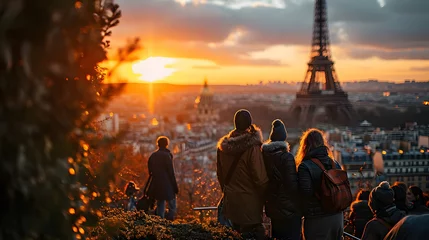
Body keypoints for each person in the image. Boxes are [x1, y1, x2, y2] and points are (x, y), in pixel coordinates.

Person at [217, 109, 269, 240]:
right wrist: (265, 197)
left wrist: (228, 191)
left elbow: (220, 175)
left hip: (230, 204)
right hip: (249, 206)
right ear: (249, 125)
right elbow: (260, 178)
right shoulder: (252, 148)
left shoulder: (223, 148)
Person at [296, 128, 344, 240]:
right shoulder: (334, 163)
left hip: (318, 219)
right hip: (338, 218)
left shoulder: (305, 166)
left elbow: (305, 193)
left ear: (305, 145)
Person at [262, 119, 301, 240]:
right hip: (288, 209)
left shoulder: (264, 156)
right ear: (284, 138)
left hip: (273, 207)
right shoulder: (287, 157)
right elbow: (292, 185)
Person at [148, 136, 179, 220]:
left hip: (157, 184)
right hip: (168, 185)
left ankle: (160, 222)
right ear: (167, 144)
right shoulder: (167, 155)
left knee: (160, 204)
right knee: (172, 205)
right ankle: (170, 222)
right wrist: (175, 187)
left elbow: (150, 172)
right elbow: (171, 173)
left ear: (157, 144)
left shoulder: (153, 156)